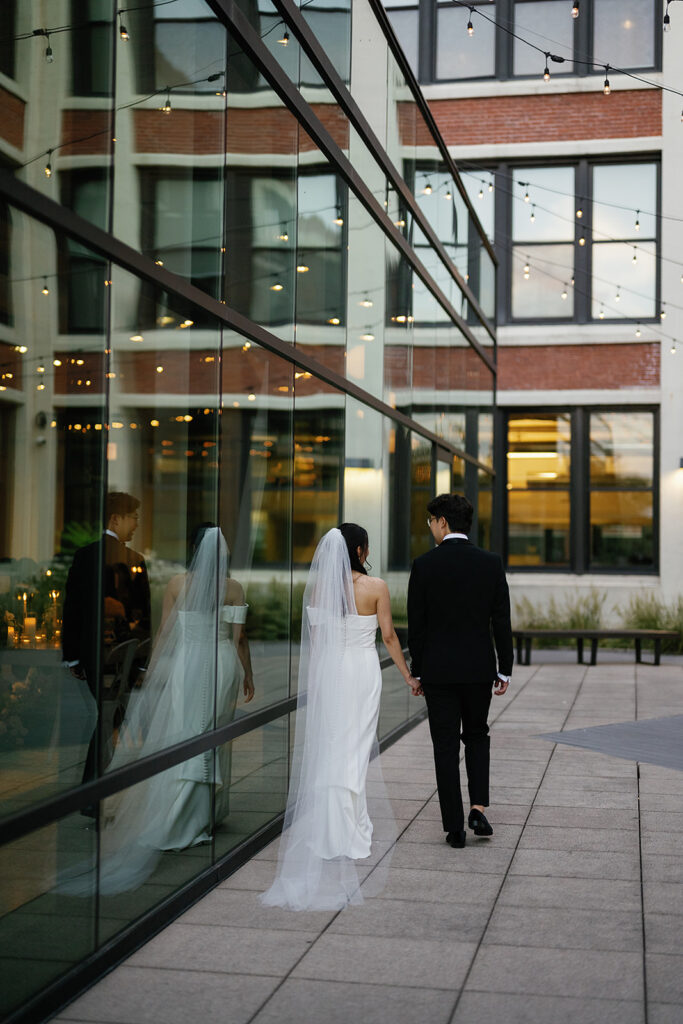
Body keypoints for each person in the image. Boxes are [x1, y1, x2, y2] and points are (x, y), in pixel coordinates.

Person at [59, 525, 254, 895]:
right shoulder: (234, 588)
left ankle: (180, 811)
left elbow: (165, 630)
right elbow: (238, 637)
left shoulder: (178, 584)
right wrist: (249, 674)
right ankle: (205, 813)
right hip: (222, 663)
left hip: (186, 664)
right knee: (213, 734)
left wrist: (152, 671)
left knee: (185, 731)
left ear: (194, 550)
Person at [261, 523, 420, 911]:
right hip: (362, 673)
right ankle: (348, 829)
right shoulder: (375, 587)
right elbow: (388, 637)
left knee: (331, 744)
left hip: (329, 673)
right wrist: (408, 676)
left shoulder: (320, 589)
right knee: (355, 746)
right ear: (361, 550)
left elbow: (317, 642)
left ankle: (328, 829)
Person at [407, 493, 513, 849]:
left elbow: (417, 626)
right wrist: (505, 668)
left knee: (445, 746)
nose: (431, 527)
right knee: (478, 735)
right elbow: (501, 619)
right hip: (478, 669)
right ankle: (478, 808)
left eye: (431, 521)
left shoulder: (424, 566)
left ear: (442, 522)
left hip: (437, 672)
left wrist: (418, 671)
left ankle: (454, 826)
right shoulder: (490, 563)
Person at [62, 491, 151, 781]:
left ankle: (94, 789)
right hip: (120, 654)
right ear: (116, 518)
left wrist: (73, 656)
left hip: (92, 653)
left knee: (111, 716)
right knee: (111, 716)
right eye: (133, 518)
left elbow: (72, 608)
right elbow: (142, 615)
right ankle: (92, 790)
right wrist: (140, 663)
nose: (136, 524)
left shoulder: (85, 556)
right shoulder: (132, 559)